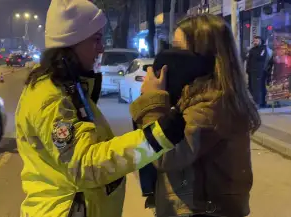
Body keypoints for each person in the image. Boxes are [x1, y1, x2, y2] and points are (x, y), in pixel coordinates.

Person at [15, 0, 186, 217]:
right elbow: (87, 165)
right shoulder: (50, 98)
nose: (101, 48)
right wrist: (156, 136)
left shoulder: (69, 86)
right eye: (96, 40)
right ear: (72, 43)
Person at [130, 14, 261, 217]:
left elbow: (165, 157)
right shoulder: (194, 94)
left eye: (178, 48)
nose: (169, 55)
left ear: (204, 55)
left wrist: (152, 102)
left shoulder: (212, 103)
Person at [246, 36, 273, 108]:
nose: (255, 42)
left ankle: (258, 103)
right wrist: (247, 69)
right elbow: (248, 59)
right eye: (254, 41)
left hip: (259, 71)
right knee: (252, 87)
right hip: (251, 71)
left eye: (257, 41)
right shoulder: (252, 50)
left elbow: (260, 57)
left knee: (257, 88)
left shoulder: (263, 49)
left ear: (260, 41)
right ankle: (261, 102)